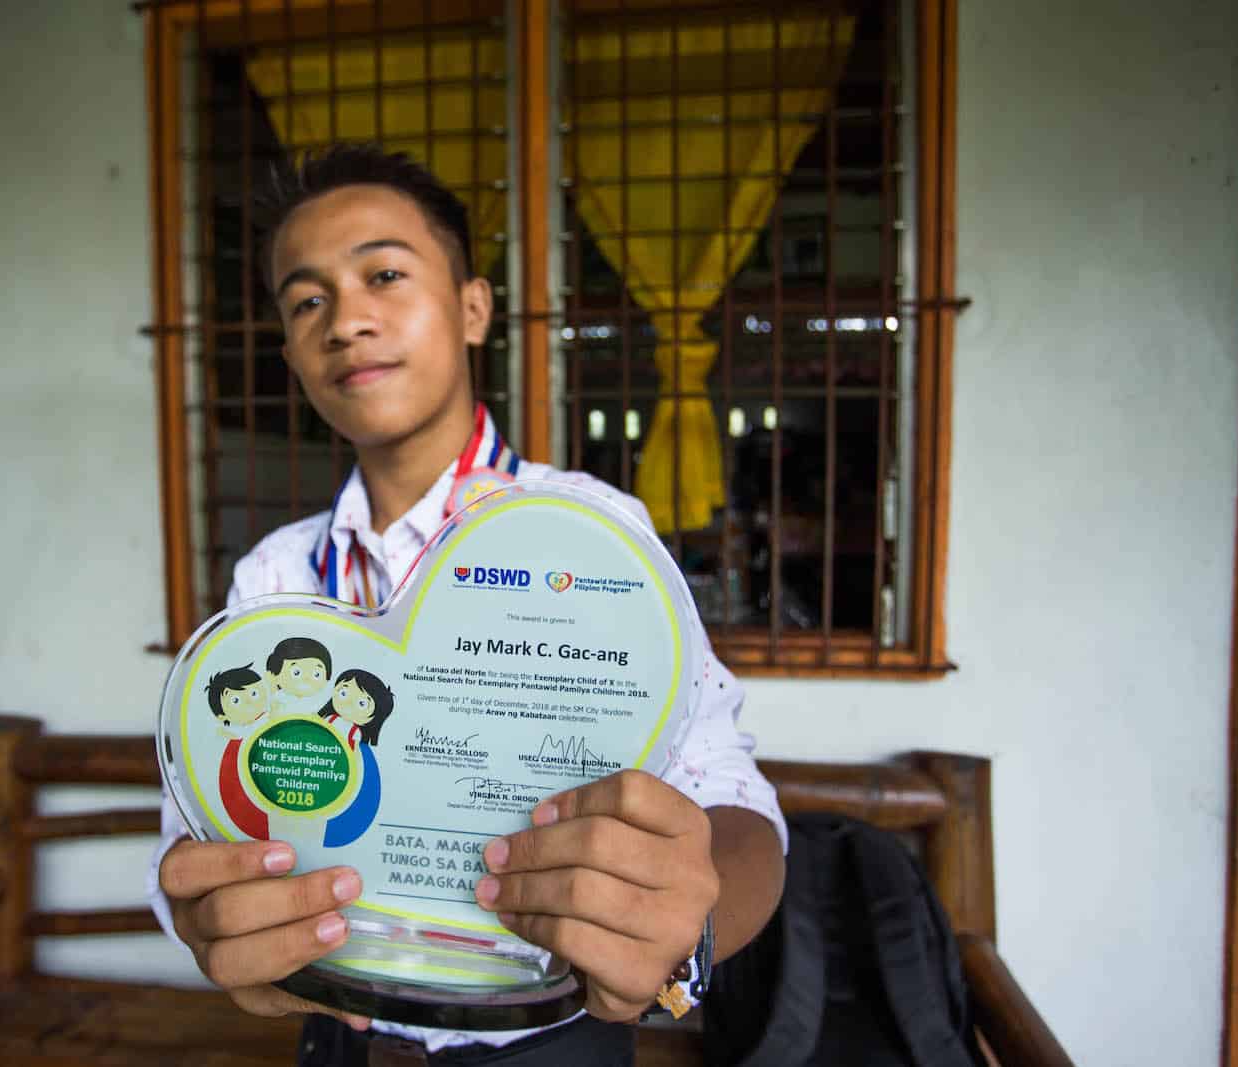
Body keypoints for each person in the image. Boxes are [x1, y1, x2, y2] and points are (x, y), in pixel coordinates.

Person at [150, 143, 787, 1066]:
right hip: (344, 1035)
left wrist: (680, 935)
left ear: (474, 307)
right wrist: (208, 913)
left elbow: (733, 805)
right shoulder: (277, 582)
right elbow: (201, 829)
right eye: (307, 300)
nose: (347, 320)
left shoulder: (590, 538)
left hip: (555, 1040)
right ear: (290, 350)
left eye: (385, 274)